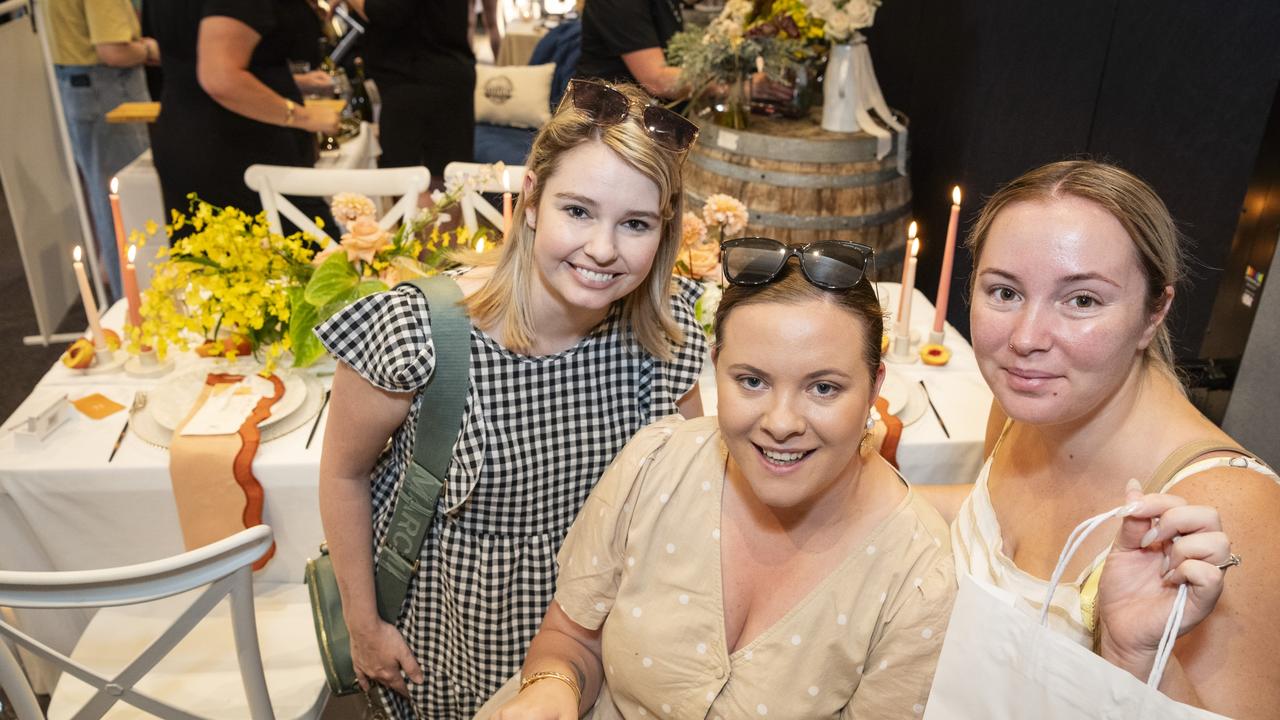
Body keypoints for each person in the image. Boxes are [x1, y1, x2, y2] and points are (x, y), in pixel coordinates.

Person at [315, 81, 707, 719]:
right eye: (577, 211)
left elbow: (682, 497)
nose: (603, 249)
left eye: (634, 223)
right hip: (451, 643)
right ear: (530, 201)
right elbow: (343, 471)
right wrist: (364, 624)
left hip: (595, 645)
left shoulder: (660, 342)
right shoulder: (423, 333)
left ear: (663, 231)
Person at [487, 240, 955, 718]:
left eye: (823, 387)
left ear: (874, 387)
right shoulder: (655, 466)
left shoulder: (918, 579)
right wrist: (553, 688)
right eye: (752, 380)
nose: (781, 422)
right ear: (716, 369)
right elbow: (571, 640)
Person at [921, 160, 1280, 717]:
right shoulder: (1029, 401)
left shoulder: (1234, 510)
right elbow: (979, 506)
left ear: (1153, 312)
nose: (1026, 338)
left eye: (1082, 300)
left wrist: (1138, 660)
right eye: (1005, 292)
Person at [145, 0, 340, 220]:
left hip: (186, 133)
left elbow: (193, 54)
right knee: (309, 247)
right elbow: (219, 77)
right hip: (239, 146)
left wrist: (290, 81)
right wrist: (304, 117)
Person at [47, 0, 155, 300]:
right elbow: (114, 51)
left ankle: (130, 307)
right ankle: (138, 316)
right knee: (127, 208)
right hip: (106, 86)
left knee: (112, 204)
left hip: (82, 85)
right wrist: (152, 50)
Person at [336, 0, 496, 179]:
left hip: (419, 80)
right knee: (447, 180)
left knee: (431, 181)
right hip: (436, 74)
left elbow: (385, 12)